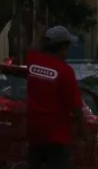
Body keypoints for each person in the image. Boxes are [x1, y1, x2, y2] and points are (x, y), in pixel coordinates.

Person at [26, 26, 85, 169]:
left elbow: (33, 46)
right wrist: (82, 129)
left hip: (35, 132)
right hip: (57, 136)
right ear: (63, 46)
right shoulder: (65, 71)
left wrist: (43, 35)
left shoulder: (32, 61)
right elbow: (75, 106)